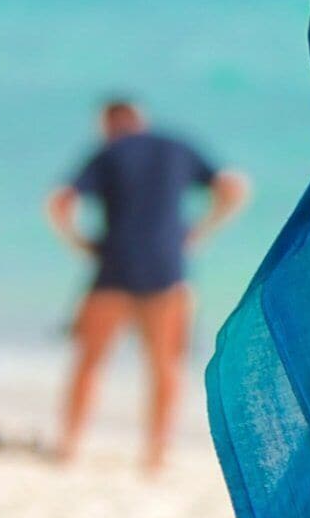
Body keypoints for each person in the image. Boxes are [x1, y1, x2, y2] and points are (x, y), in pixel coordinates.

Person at [48, 96, 249, 472]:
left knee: (90, 361)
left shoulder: (108, 152)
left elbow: (60, 201)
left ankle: (69, 445)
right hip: (167, 269)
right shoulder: (177, 147)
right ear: (141, 118)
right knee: (165, 365)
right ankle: (156, 454)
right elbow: (235, 186)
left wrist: (78, 243)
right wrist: (202, 231)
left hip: (114, 267)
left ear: (108, 123)